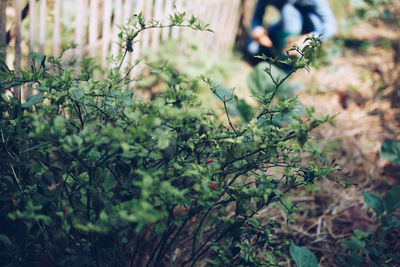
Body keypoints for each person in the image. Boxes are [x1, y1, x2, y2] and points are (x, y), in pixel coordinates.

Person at [247, 0, 337, 59]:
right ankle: (282, 51)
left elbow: (331, 25)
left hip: (312, 27)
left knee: (288, 10)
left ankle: (287, 61)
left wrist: (311, 38)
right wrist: (257, 29)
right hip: (288, 25)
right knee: (252, 48)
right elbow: (257, 16)